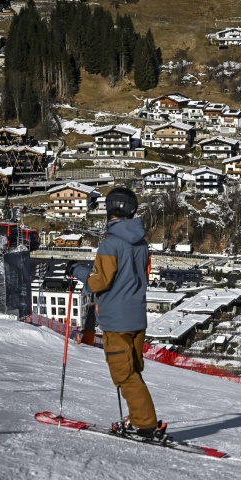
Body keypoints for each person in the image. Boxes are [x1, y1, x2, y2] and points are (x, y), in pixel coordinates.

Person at [67, 188, 165, 440]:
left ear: (110, 209)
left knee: (125, 374)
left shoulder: (109, 244)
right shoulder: (141, 244)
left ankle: (145, 425)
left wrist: (77, 271)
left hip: (116, 319)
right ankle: (138, 417)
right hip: (137, 318)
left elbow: (100, 283)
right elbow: (131, 275)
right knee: (133, 369)